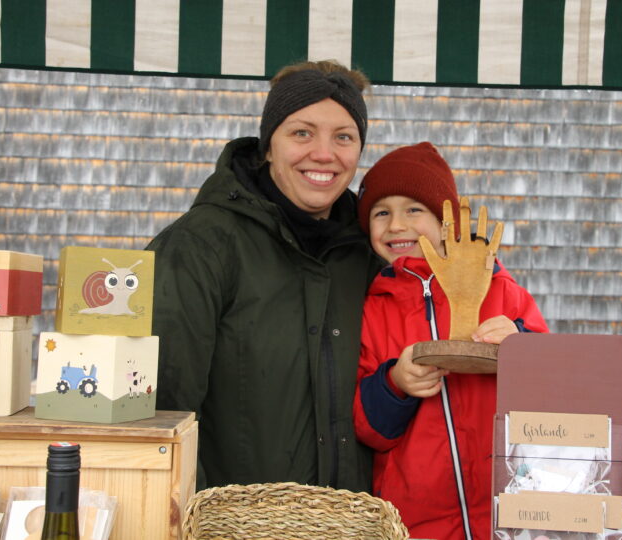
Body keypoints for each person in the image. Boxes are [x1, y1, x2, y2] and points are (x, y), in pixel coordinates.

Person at [147, 60, 383, 492]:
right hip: (233, 520)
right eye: (302, 133)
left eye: (344, 137)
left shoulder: (369, 253)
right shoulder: (200, 246)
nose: (324, 154)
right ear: (268, 146)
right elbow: (161, 413)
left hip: (351, 519)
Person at [353, 142, 549, 540]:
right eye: (381, 212)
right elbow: (366, 427)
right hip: (414, 521)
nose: (396, 225)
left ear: (448, 223)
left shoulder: (502, 291)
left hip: (508, 511)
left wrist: (521, 344)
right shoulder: (373, 309)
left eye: (414, 210)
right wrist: (396, 384)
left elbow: (553, 384)